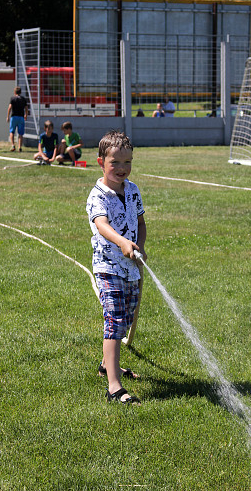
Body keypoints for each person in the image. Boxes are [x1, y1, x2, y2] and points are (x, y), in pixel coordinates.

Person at [86, 130, 147, 404]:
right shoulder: (98, 195)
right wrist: (122, 242)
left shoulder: (133, 191)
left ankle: (106, 365)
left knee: (125, 317)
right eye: (115, 163)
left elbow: (142, 223)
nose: (122, 169)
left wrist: (140, 246)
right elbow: (102, 225)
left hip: (131, 268)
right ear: (101, 162)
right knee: (113, 320)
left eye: (127, 162)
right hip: (107, 266)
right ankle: (114, 387)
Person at [6, 86, 28, 152]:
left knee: (12, 131)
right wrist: (25, 115)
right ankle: (20, 147)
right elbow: (26, 108)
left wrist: (8, 116)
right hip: (21, 117)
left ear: (14, 92)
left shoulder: (12, 98)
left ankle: (13, 145)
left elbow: (9, 107)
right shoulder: (23, 99)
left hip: (14, 117)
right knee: (20, 133)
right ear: (20, 92)